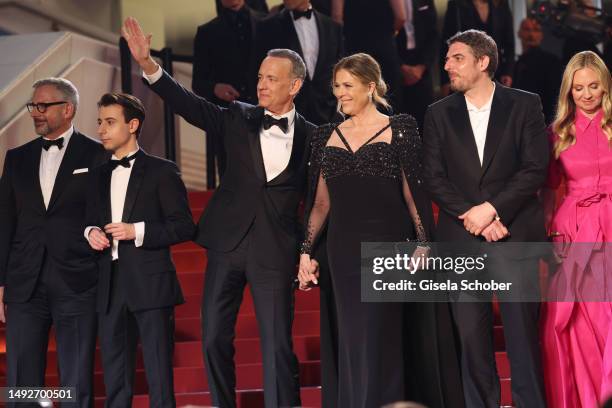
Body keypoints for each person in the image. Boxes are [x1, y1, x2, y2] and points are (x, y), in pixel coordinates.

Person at [122, 17, 314, 408]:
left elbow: (316, 201)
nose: (261, 84)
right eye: (260, 76)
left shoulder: (315, 136)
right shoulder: (237, 117)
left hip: (275, 250)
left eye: (272, 79)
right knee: (212, 338)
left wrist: (307, 250)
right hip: (226, 245)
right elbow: (189, 106)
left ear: (294, 85)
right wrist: (148, 67)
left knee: (277, 344)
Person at [298, 53, 463, 408]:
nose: (340, 93)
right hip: (342, 253)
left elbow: (411, 192)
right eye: (336, 86)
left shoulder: (400, 127)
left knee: (380, 336)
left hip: (390, 248)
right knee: (354, 337)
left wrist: (423, 243)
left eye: (348, 86)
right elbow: (320, 204)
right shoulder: (325, 135)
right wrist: (305, 250)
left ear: (370, 87)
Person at [422, 30, 548, 407]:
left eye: (456, 58)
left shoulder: (525, 105)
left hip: (513, 235)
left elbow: (534, 168)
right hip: (461, 240)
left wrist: (491, 209)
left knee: (523, 340)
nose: (447, 65)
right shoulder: (437, 113)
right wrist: (472, 215)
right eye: (446, 58)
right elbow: (433, 178)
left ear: (483, 62)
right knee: (472, 342)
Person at [0, 78, 106, 408]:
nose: (36, 113)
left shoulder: (97, 154)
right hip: (23, 283)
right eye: (33, 106)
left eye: (43, 106)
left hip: (76, 280)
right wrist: (0, 282)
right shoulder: (16, 158)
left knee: (76, 379)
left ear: (68, 109)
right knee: (21, 380)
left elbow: (102, 213)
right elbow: (4, 223)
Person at [84, 92, 195, 407]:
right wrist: (90, 232)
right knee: (115, 376)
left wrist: (138, 231)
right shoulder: (98, 173)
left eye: (109, 122)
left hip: (150, 282)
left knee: (159, 374)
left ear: (132, 125)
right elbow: (89, 220)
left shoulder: (162, 171)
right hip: (108, 284)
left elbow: (184, 226)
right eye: (99, 123)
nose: (101, 130)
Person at [541, 51, 612, 408]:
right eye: (578, 88)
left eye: (593, 87)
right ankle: (588, 398)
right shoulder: (557, 134)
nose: (586, 95)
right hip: (573, 229)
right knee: (576, 321)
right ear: (568, 91)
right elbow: (549, 190)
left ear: (605, 87)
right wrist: (549, 233)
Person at [193, 0, 266, 178]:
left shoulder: (267, 24)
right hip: (228, 118)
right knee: (231, 178)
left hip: (266, 115)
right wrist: (215, 88)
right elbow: (198, 82)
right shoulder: (207, 32)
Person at [252, 0, 344, 125]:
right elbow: (258, 73)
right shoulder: (268, 27)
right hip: (285, 118)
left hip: (326, 116)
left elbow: (338, 71)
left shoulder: (332, 27)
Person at [331, 0, 407, 111]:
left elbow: (337, 17)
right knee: (389, 102)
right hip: (384, 48)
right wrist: (385, 35)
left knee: (356, 100)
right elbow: (401, 17)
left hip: (354, 48)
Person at [439, 0, 515, 96]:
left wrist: (508, 72)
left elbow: (509, 43)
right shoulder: (457, 4)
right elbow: (447, 43)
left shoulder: (501, 4)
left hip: (495, 73)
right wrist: (445, 80)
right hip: (465, 73)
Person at [396, 0, 438, 129]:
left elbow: (433, 34)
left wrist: (421, 67)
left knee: (425, 122)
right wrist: (399, 66)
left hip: (421, 66)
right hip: (393, 63)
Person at [513, 17, 563, 124]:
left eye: (536, 30)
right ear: (519, 33)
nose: (531, 34)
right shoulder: (515, 65)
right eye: (527, 29)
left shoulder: (552, 62)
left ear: (541, 35)